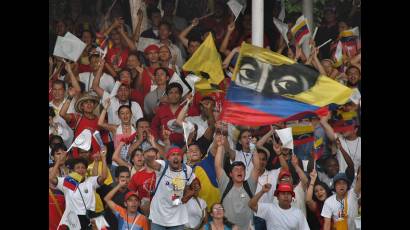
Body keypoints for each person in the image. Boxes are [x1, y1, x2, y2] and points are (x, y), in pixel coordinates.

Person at [49, 149, 108, 229]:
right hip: (73, 220)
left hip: (90, 218)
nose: (81, 170)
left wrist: (103, 158)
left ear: (86, 170)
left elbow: (104, 177)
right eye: (78, 168)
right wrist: (58, 163)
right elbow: (51, 178)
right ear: (73, 170)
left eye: (83, 168)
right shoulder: (68, 182)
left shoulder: (90, 181)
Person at [214, 133, 260, 230]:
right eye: (236, 169)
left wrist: (253, 147)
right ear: (230, 174)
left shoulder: (250, 185)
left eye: (242, 169)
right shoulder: (225, 183)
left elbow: (257, 167)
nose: (239, 171)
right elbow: (218, 166)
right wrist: (220, 146)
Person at [144, 147, 196, 229]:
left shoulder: (187, 170)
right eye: (173, 154)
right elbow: (151, 163)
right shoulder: (163, 166)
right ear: (168, 158)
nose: (176, 157)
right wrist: (149, 157)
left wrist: (186, 197)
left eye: (178, 154)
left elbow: (194, 187)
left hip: (178, 219)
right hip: (158, 217)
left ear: (182, 158)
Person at [92, 59, 144, 126]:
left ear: (130, 92)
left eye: (126, 90)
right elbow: (95, 86)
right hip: (114, 135)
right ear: (117, 91)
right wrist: (101, 67)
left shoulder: (135, 105)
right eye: (120, 90)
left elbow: (140, 125)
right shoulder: (110, 100)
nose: (123, 92)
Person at [151, 82, 199, 147]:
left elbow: (196, 126)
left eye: (176, 92)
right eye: (171, 93)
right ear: (167, 95)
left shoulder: (189, 109)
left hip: (184, 145)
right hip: (164, 144)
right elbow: (154, 126)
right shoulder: (161, 110)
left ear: (181, 95)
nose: (173, 95)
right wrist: (156, 139)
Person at [60, 91, 102, 158]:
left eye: (91, 102)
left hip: (96, 157)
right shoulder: (77, 118)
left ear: (94, 105)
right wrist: (70, 97)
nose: (89, 105)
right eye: (86, 103)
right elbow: (62, 114)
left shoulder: (99, 120)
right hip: (78, 158)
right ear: (82, 106)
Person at [128, 148, 158, 217]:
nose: (151, 159)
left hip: (160, 212)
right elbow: (130, 195)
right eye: (149, 156)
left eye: (153, 157)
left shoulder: (161, 173)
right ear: (144, 158)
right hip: (143, 213)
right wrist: (140, 204)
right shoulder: (136, 176)